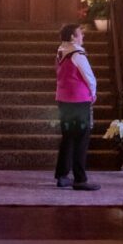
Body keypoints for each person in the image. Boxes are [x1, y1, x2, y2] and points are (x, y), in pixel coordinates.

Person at [53, 23, 101, 191]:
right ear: (73, 37)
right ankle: (80, 179)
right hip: (79, 100)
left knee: (67, 138)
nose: (83, 36)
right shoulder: (77, 54)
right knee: (81, 139)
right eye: (80, 33)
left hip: (63, 99)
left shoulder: (61, 50)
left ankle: (62, 175)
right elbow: (89, 76)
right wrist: (93, 92)